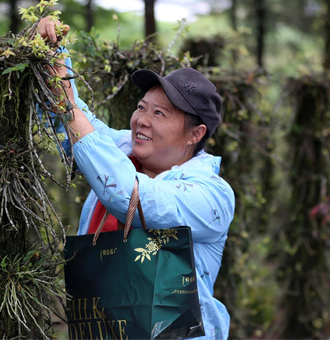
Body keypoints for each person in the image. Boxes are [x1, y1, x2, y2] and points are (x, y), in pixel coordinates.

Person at [39, 18, 235, 340]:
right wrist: (51, 50)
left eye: (160, 114)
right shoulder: (122, 151)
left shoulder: (212, 195)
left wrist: (69, 105)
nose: (142, 120)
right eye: (142, 107)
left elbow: (128, 195)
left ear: (195, 134)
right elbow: (70, 121)